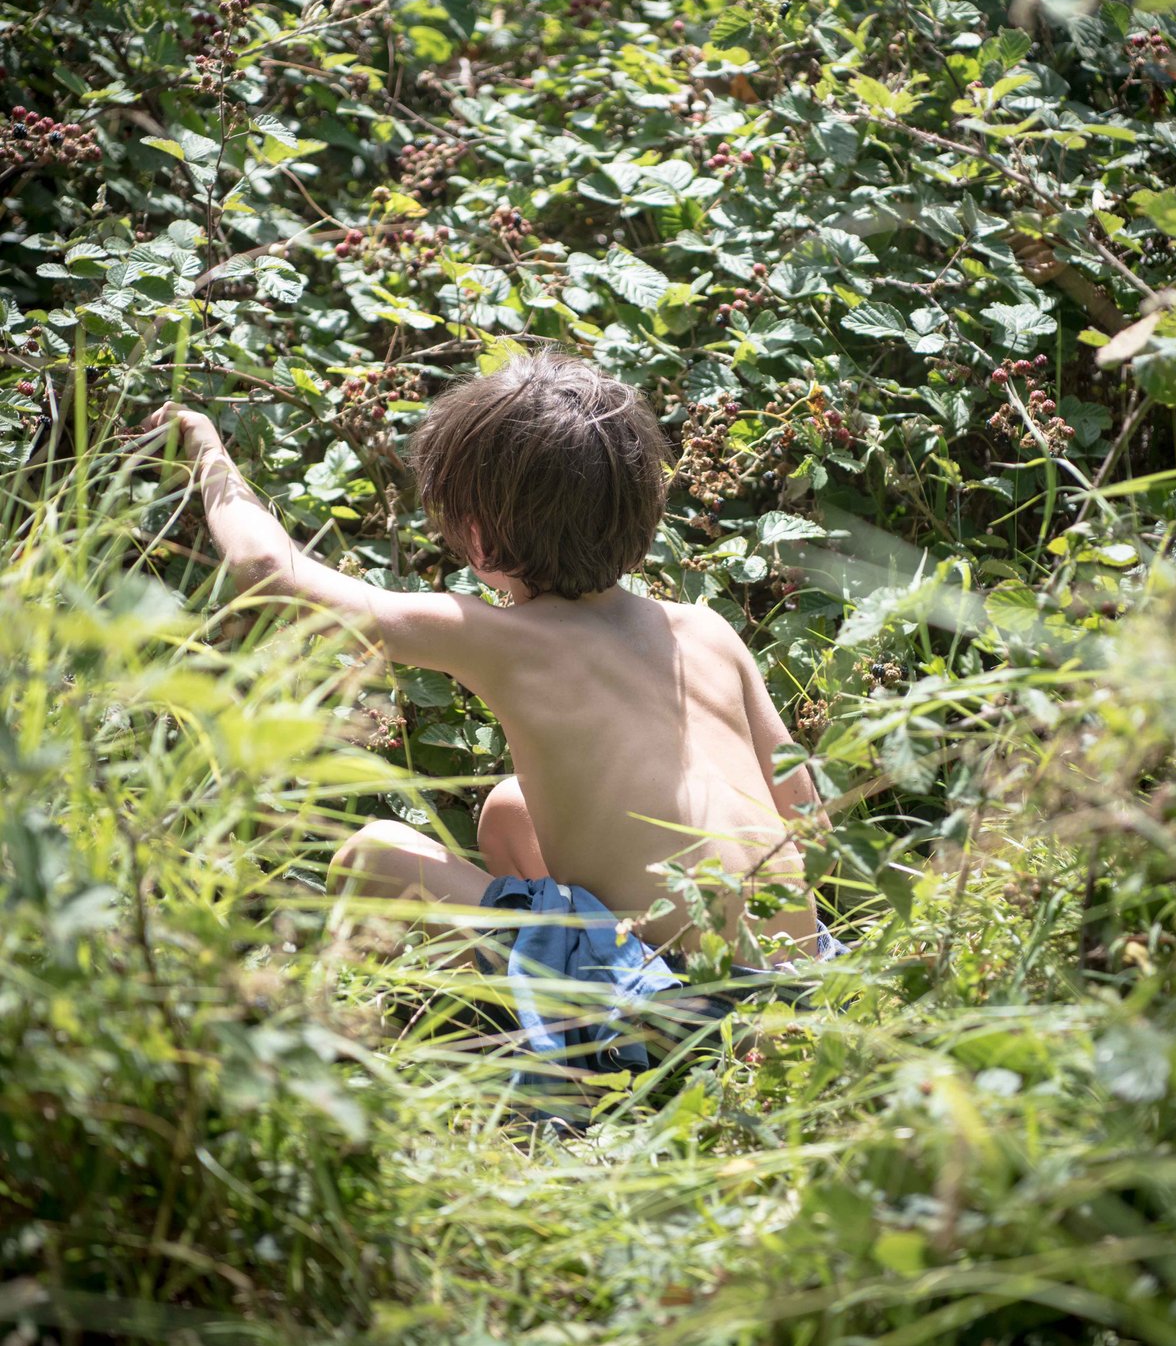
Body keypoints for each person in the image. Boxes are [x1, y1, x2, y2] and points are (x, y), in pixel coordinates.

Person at [141, 352, 834, 1039]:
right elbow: (810, 824)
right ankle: (564, 1011)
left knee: (373, 855)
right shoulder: (705, 629)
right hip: (804, 982)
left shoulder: (505, 639)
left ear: (475, 533)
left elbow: (268, 570)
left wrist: (206, 450)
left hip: (680, 1014)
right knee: (509, 810)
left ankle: (550, 1065)